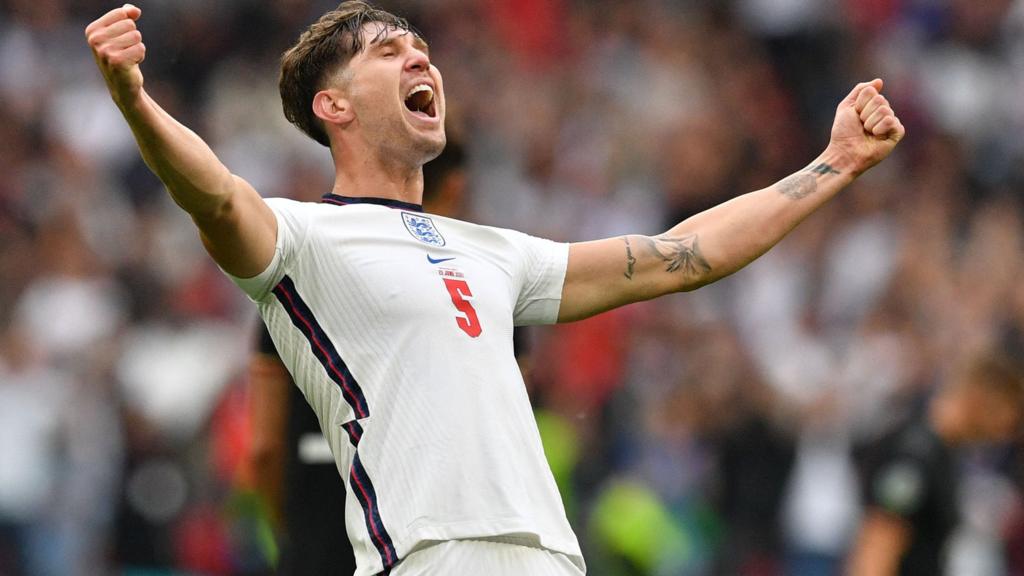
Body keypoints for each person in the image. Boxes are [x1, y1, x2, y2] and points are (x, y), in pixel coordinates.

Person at [85, 2, 905, 574]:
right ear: (330, 104)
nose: (420, 58)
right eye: (386, 50)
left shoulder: (495, 251)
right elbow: (217, 195)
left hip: (549, 554)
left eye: (422, 49)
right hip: (431, 557)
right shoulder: (304, 238)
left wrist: (832, 165)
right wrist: (133, 98)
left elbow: (678, 256)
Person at [244, 142, 467, 575]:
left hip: (315, 538)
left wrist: (289, 533)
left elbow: (264, 449)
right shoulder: (476, 289)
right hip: (422, 548)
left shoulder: (292, 280)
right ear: (455, 188)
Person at [848, 353, 1024, 576]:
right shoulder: (916, 454)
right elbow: (875, 551)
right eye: (1008, 417)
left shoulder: (942, 451)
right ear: (981, 398)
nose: (1005, 432)